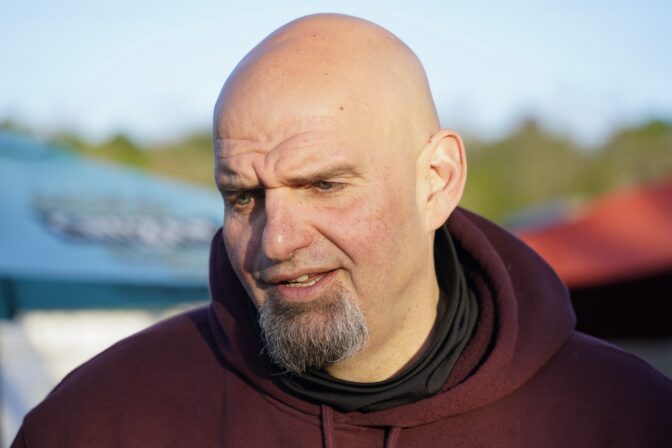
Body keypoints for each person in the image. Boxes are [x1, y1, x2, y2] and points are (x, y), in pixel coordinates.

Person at [12, 14, 672, 448]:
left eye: (324, 185)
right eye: (243, 197)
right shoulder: (103, 421)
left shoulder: (625, 418)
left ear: (436, 180)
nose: (274, 242)